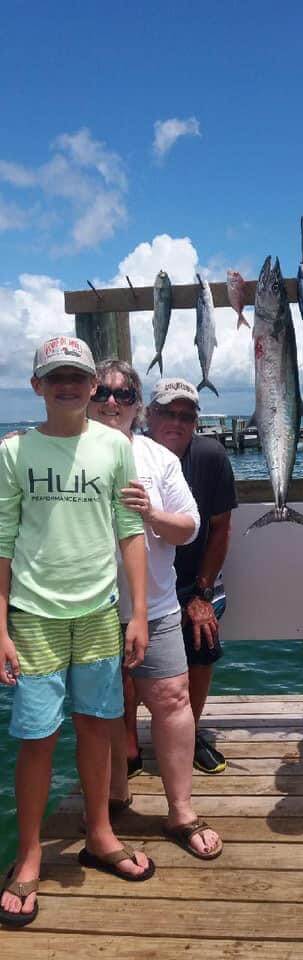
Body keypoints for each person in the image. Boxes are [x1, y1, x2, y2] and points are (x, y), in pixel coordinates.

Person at [0, 337, 153, 929]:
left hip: (97, 613)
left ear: (95, 387)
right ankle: (31, 851)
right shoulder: (13, 454)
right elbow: (2, 543)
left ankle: (99, 832)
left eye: (78, 376)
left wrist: (138, 613)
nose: (68, 385)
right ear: (37, 386)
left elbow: (129, 532)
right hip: (35, 616)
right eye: (55, 376)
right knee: (37, 735)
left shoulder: (115, 446)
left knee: (99, 725)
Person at [88, 360, 222, 859]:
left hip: (158, 605)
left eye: (124, 395)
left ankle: (181, 809)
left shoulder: (158, 458)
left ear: (137, 405)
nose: (111, 402)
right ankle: (115, 793)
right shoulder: (63, 454)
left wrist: (150, 513)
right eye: (101, 391)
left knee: (170, 699)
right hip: (86, 609)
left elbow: (189, 527)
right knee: (100, 709)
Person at [145, 378, 238, 774]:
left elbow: (221, 528)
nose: (176, 422)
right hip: (142, 583)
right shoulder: (128, 452)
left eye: (186, 416)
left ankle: (191, 731)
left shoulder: (211, 456)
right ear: (149, 414)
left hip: (195, 580)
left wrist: (200, 594)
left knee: (203, 638)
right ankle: (129, 741)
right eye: (167, 412)